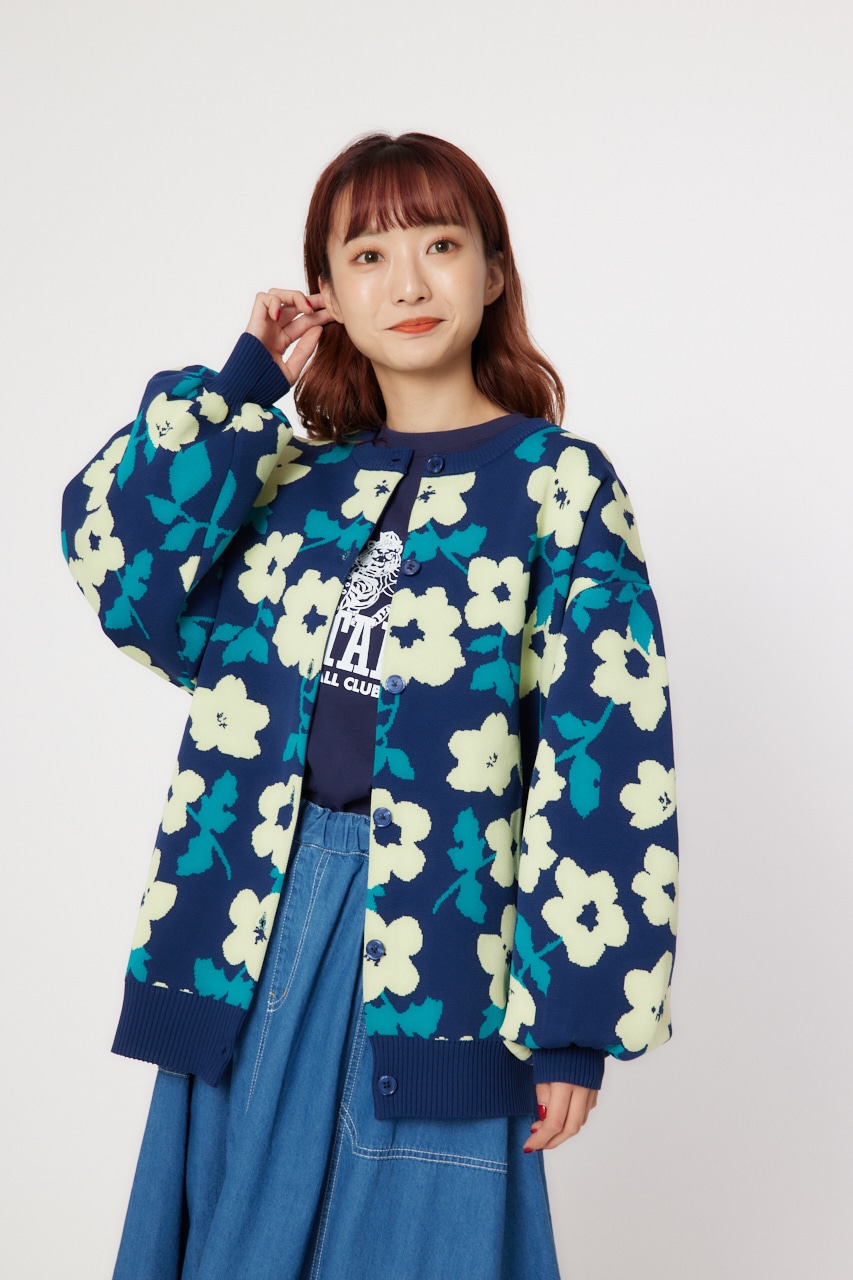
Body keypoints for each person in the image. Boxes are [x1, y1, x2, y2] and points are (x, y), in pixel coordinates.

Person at [62, 132, 679, 1280]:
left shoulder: (557, 485)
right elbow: (124, 571)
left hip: (442, 939)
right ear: (328, 292)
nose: (407, 282)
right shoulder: (287, 481)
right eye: (368, 254)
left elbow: (606, 747)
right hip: (248, 922)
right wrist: (241, 381)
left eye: (440, 244)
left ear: (493, 271)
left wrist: (573, 1018)